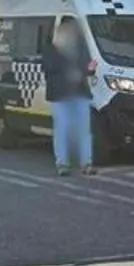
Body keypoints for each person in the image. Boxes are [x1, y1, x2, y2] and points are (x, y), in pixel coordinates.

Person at [41, 18, 98, 176]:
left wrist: (90, 69)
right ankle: (62, 163)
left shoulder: (81, 46)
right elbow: (48, 68)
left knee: (83, 130)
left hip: (80, 93)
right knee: (62, 130)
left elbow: (87, 66)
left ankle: (86, 162)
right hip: (60, 95)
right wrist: (69, 70)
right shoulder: (51, 48)